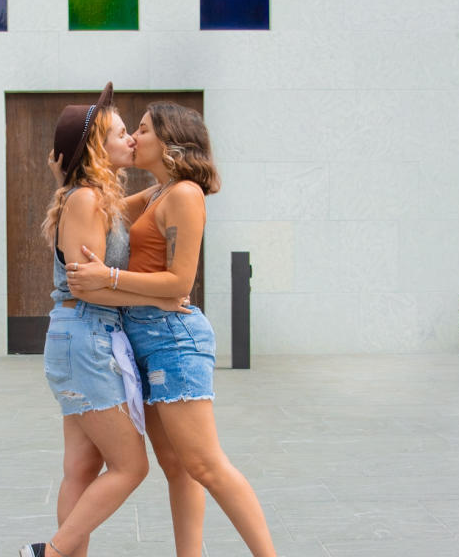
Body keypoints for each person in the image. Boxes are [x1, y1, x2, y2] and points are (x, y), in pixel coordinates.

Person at [67, 102, 278, 557]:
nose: (133, 139)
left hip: (172, 341)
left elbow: (181, 283)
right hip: (146, 338)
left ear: (169, 140)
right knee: (177, 469)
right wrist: (68, 172)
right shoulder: (158, 193)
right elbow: (96, 205)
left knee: (205, 464)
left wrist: (109, 278)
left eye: (141, 130)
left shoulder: (184, 194)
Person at [21, 84, 190, 557]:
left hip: (82, 336)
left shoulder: (96, 197)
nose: (131, 138)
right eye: (120, 132)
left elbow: (158, 196)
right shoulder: (86, 201)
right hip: (87, 337)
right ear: (99, 147)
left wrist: (180, 167)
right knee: (131, 467)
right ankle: (50, 553)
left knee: (81, 468)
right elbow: (85, 283)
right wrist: (159, 296)